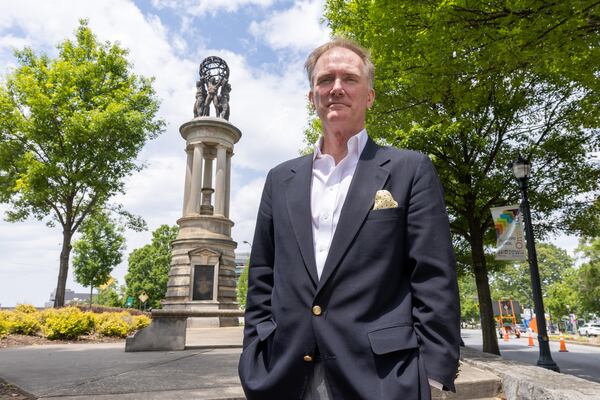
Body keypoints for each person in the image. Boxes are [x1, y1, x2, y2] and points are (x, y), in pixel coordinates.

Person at [238, 37, 460, 400]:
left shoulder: (409, 170)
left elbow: (434, 278)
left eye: (349, 79)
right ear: (312, 97)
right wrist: (253, 354)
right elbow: (262, 275)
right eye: (325, 80)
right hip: (284, 374)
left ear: (369, 96)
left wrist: (433, 376)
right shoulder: (280, 179)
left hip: (383, 378)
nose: (336, 88)